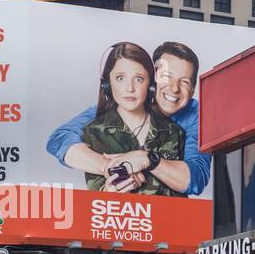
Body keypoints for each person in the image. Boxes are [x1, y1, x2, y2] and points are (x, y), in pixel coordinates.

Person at [47, 42, 208, 196]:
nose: (174, 88)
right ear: (151, 80)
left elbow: (196, 178)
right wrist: (114, 168)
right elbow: (60, 140)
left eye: (185, 82)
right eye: (166, 77)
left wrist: (146, 159)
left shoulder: (196, 114)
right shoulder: (121, 105)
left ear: (193, 89)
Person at [73, 43, 186, 197]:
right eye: (120, 78)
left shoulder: (173, 131)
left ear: (151, 86)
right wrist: (109, 191)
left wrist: (150, 160)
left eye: (139, 79)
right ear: (107, 84)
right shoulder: (93, 133)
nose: (130, 88)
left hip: (167, 219)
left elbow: (185, 186)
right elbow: (96, 196)